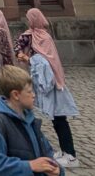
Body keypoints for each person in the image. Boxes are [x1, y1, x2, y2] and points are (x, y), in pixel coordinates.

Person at [17, 9, 81, 169]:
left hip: (53, 84)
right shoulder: (33, 35)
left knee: (60, 118)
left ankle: (71, 155)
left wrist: (28, 59)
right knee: (56, 119)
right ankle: (65, 151)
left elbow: (45, 63)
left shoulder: (44, 37)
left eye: (29, 18)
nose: (28, 21)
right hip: (47, 83)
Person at [0, 65, 63, 175]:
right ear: (16, 95)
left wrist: (57, 169)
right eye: (29, 92)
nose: (33, 95)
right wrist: (29, 166)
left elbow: (47, 151)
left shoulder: (30, 119)